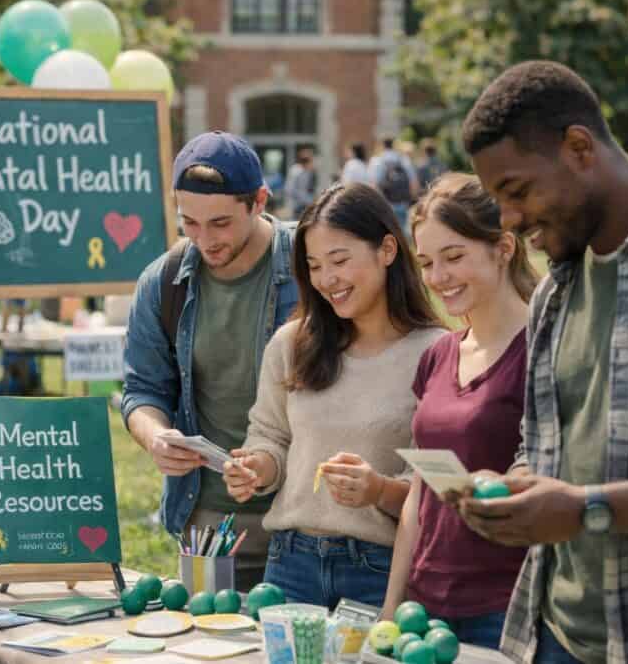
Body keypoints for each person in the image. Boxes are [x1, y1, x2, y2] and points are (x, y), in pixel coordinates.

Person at [456, 60, 628, 664]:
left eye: (516, 191)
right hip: (552, 636)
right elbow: (546, 452)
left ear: (579, 147)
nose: (508, 220)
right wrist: (516, 491)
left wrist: (587, 507)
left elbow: (581, 500)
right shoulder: (553, 292)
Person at [222, 183, 445, 608]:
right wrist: (257, 467)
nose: (328, 280)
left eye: (339, 260)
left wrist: (377, 490)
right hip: (289, 565)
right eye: (315, 266)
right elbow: (270, 437)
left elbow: (433, 489)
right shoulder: (292, 344)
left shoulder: (437, 353)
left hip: (380, 569)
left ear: (387, 250)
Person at [121, 131, 299, 590]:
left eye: (220, 223)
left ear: (259, 201)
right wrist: (156, 437)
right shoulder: (161, 282)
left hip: (309, 525)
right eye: (189, 223)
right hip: (210, 527)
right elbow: (142, 391)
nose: (204, 240)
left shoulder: (311, 264)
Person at [380, 173, 539, 648]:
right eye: (427, 263)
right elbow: (418, 496)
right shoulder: (439, 355)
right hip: (424, 608)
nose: (437, 278)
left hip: (503, 608)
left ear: (503, 248)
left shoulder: (543, 349)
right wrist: (392, 604)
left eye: (454, 257)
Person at [369, 138, 420, 232]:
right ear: (393, 145)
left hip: (386, 202)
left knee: (389, 231)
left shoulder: (378, 161)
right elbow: (413, 181)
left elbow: (374, 184)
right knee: (403, 230)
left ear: (383, 146)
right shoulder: (403, 159)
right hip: (402, 200)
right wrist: (413, 198)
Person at [284, 148, 317, 220]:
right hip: (296, 205)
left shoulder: (309, 172)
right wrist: (306, 198)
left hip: (305, 204)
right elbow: (289, 189)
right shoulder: (295, 171)